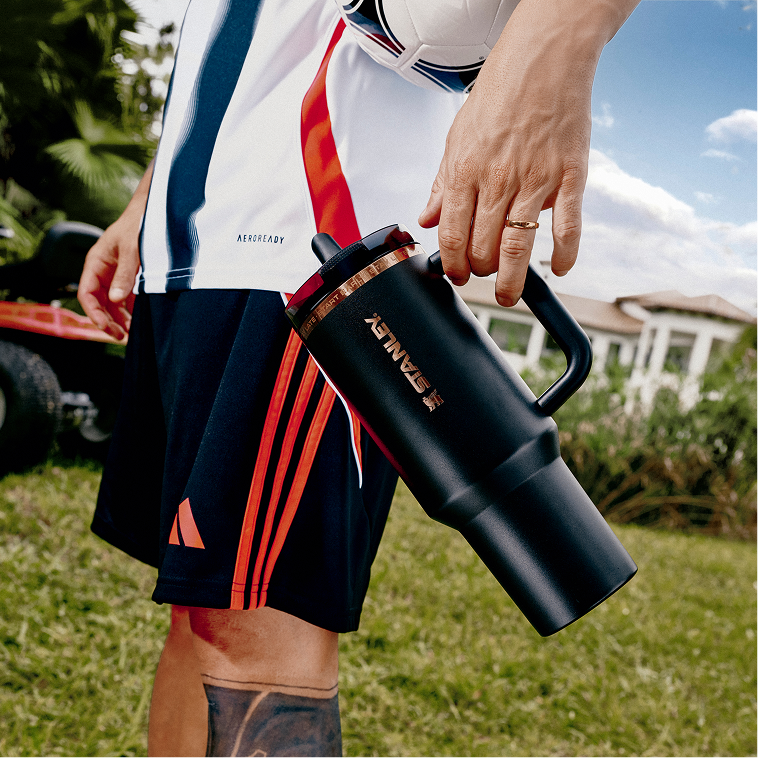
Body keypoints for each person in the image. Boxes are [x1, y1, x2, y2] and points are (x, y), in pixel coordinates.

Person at [79, 0, 639, 754]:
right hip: (194, 240)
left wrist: (555, 51)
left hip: (315, 240)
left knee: (257, 631)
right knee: (203, 614)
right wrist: (150, 201)